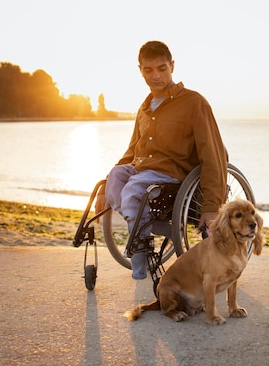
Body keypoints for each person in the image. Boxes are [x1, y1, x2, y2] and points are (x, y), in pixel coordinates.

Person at [97, 41, 227, 280]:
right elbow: (132, 151)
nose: (155, 75)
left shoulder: (193, 102)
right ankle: (156, 228)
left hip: (172, 175)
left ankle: (141, 259)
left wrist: (211, 206)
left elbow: (214, 155)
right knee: (116, 177)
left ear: (172, 66)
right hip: (142, 170)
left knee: (133, 190)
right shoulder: (145, 108)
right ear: (140, 70)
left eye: (162, 68)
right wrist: (105, 186)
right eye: (148, 70)